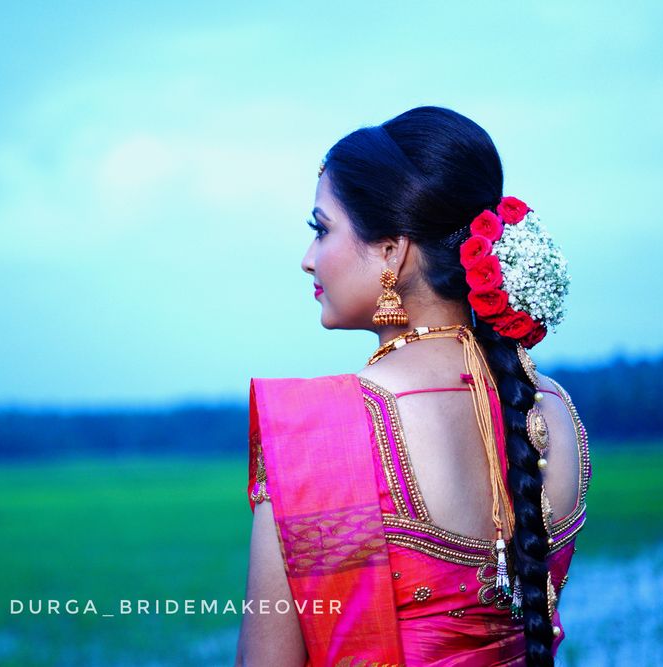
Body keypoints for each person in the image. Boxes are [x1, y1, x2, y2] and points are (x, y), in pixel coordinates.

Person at [234, 106, 591, 667]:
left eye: (321, 229)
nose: (308, 260)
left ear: (391, 252)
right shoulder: (554, 412)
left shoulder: (319, 433)